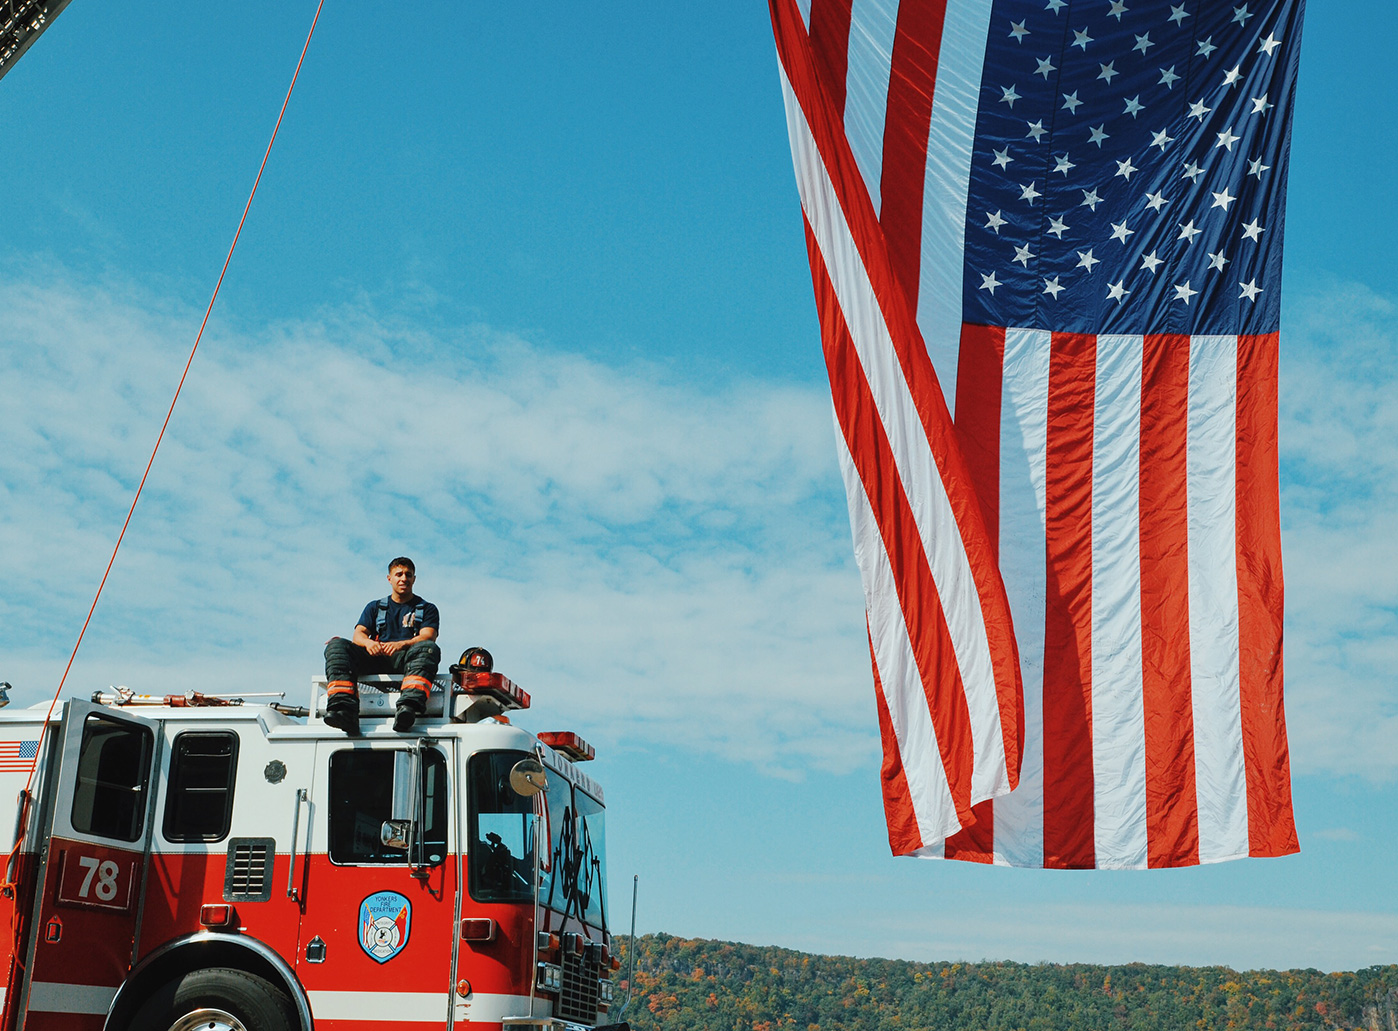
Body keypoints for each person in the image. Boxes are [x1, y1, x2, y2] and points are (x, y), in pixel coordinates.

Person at [323, 557, 441, 734]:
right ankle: (343, 710)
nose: (403, 579)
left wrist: (401, 644)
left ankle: (407, 709)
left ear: (414, 579)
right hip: (375, 658)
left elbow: (428, 636)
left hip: (406, 661)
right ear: (389, 578)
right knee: (337, 646)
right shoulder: (374, 607)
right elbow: (359, 634)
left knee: (428, 648)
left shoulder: (427, 608)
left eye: (408, 575)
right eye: (398, 574)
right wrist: (369, 643)